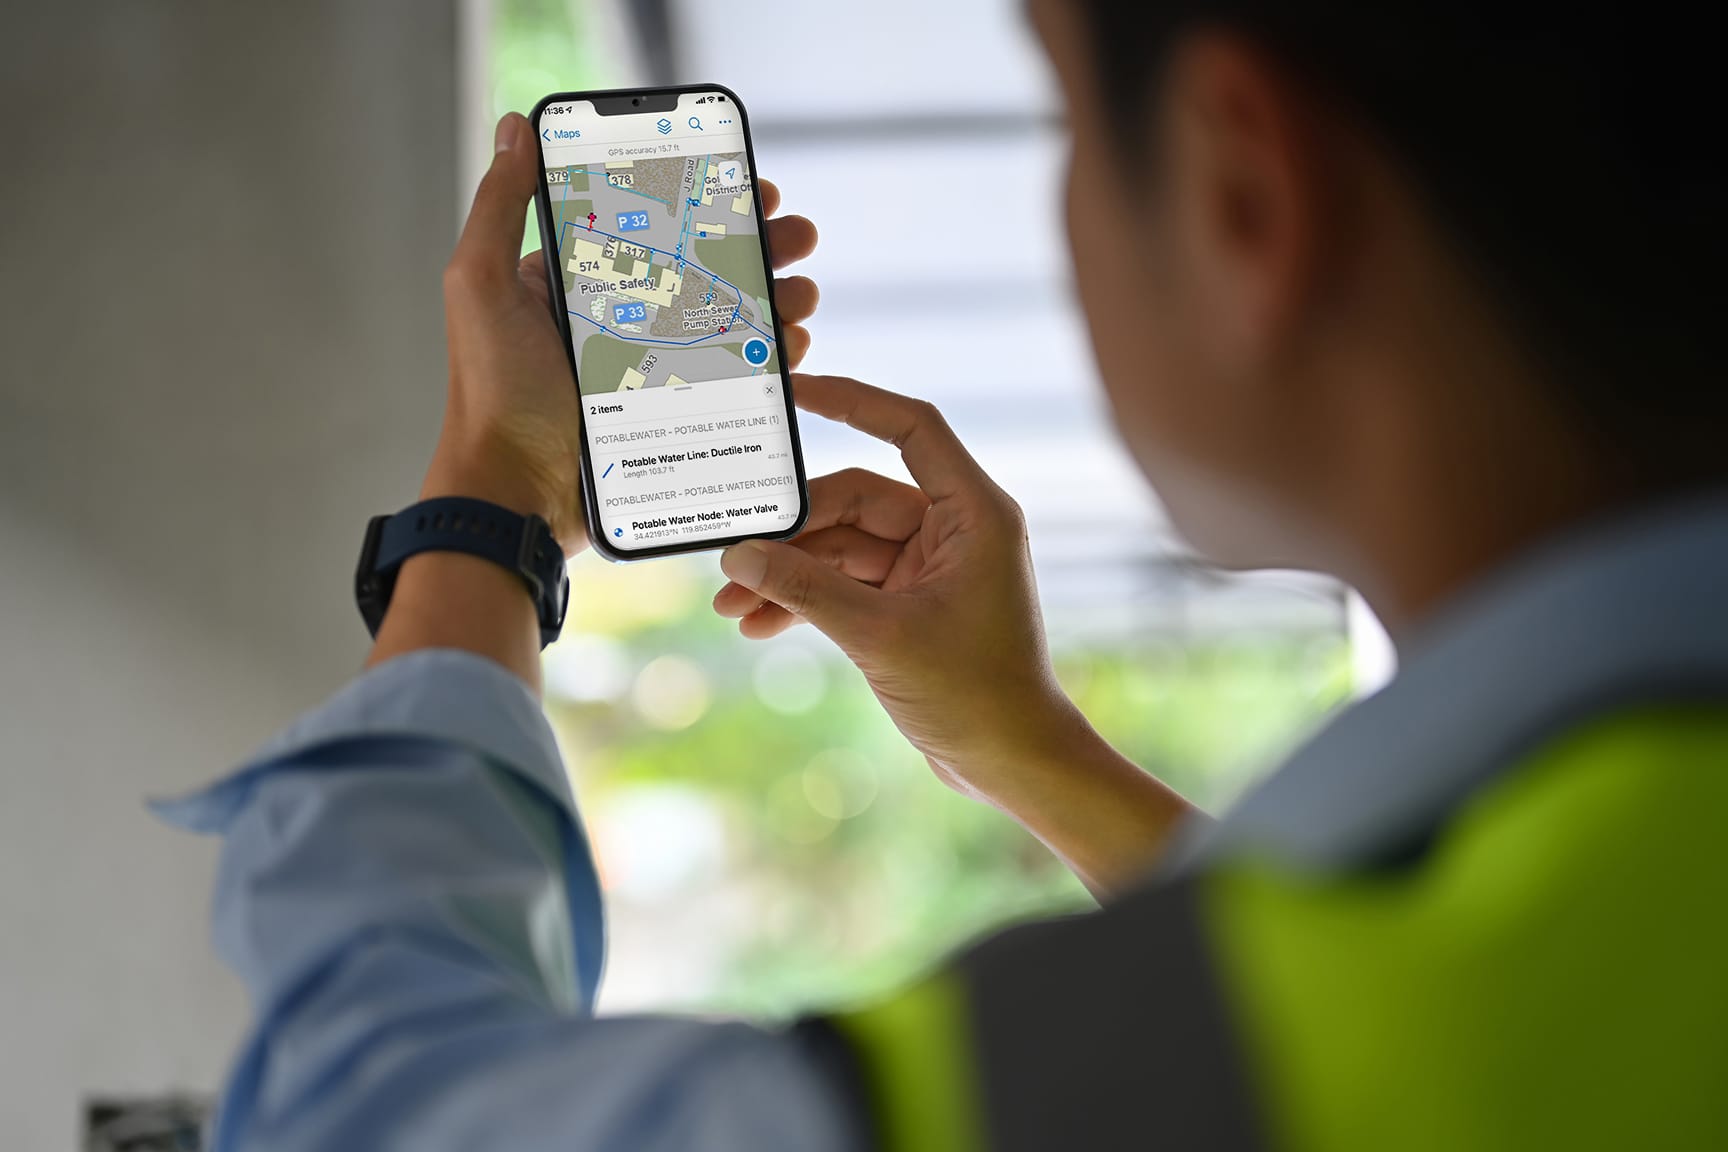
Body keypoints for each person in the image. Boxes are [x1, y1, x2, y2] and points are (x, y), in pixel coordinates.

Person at [161, 1, 1728, 1149]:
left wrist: (490, 498)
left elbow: (360, 1114)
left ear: (1244, 190)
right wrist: (1024, 746)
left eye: (1061, 124)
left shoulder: (1225, 1066)